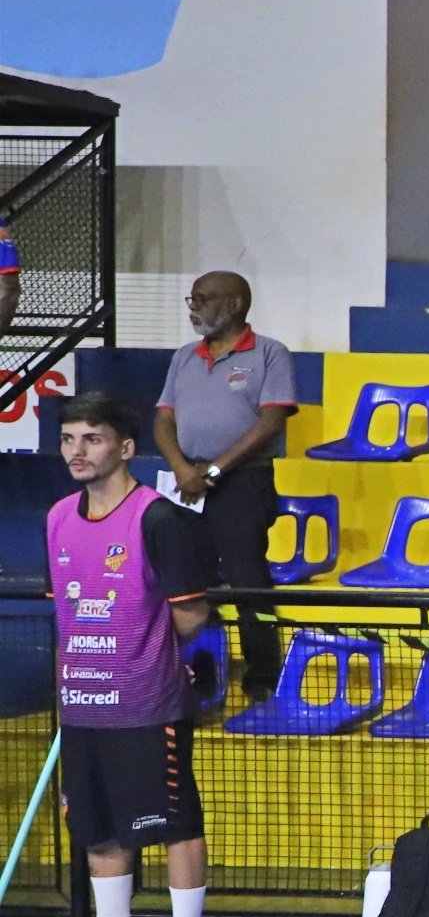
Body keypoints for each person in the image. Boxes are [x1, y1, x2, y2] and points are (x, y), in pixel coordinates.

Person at [48, 391, 215, 917]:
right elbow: (68, 608)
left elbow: (191, 614)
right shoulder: (57, 517)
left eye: (91, 439)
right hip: (81, 700)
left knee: (173, 822)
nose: (77, 451)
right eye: (68, 439)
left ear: (124, 448)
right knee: (95, 823)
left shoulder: (157, 518)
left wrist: (147, 651)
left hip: (147, 701)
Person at [154, 272, 296, 705]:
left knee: (248, 582)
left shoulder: (269, 352)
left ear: (234, 304)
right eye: (191, 299)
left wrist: (214, 469)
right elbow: (163, 420)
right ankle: (197, 674)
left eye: (201, 298)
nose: (193, 307)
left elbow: (271, 422)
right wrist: (183, 469)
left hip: (243, 481)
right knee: (186, 581)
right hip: (186, 483)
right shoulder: (184, 357)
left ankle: (262, 677)